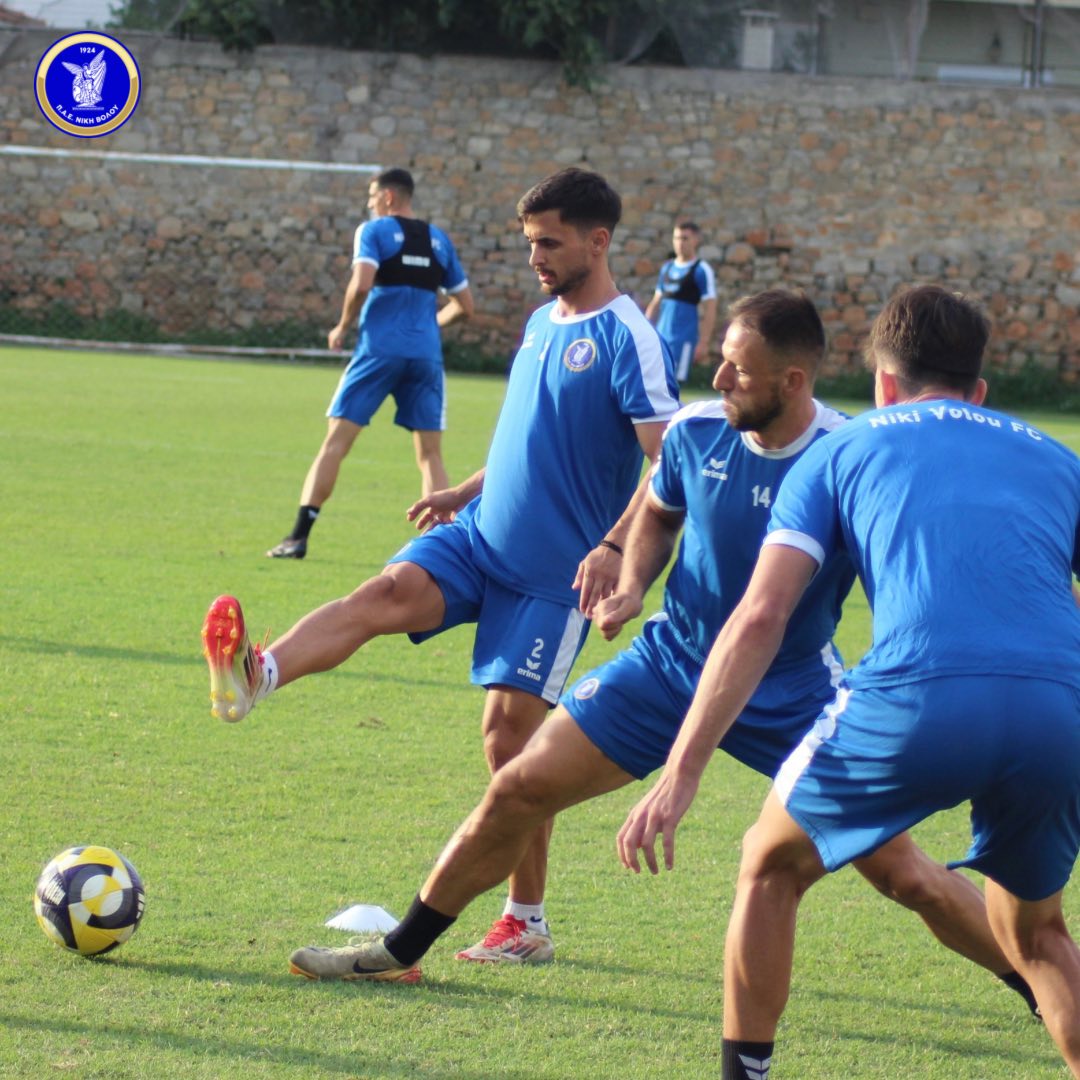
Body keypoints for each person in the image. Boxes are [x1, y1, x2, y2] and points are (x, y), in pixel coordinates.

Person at [284, 290, 1035, 1017]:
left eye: (739, 369)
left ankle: (1043, 989)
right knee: (518, 789)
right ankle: (400, 951)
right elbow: (658, 510)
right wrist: (631, 580)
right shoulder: (696, 431)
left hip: (792, 690)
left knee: (903, 872)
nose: (718, 378)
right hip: (670, 665)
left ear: (792, 381)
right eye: (722, 361)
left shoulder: (846, 457)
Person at [204, 166, 681, 962]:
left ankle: (526, 922)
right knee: (383, 592)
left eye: (548, 243)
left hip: (554, 578)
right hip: (481, 536)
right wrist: (465, 488)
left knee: (509, 746)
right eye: (529, 242)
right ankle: (259, 675)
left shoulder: (628, 337)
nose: (534, 257)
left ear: (598, 242)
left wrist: (611, 550)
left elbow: (669, 466)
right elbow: (534, 436)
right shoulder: (542, 321)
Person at [618, 285, 1080, 1079]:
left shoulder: (842, 447)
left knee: (770, 862)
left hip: (920, 695)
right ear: (978, 390)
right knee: (1037, 935)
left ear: (884, 383)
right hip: (1058, 707)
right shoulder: (1058, 457)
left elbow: (761, 616)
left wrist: (683, 769)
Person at [267, 167, 475, 559]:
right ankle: (443, 550)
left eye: (372, 197)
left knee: (335, 443)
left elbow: (362, 283)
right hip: (425, 356)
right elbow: (465, 306)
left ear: (388, 197)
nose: (370, 204)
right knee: (430, 454)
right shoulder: (439, 240)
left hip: (379, 351)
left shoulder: (374, 231)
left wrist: (342, 325)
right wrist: (429, 324)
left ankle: (297, 537)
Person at [644, 220, 717, 383]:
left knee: (675, 384)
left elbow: (710, 308)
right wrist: (644, 331)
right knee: (656, 382)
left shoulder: (701, 270)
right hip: (661, 337)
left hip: (684, 340)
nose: (680, 243)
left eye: (685, 238)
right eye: (676, 238)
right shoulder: (667, 268)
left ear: (696, 240)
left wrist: (704, 342)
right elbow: (655, 303)